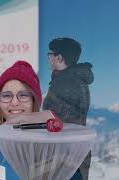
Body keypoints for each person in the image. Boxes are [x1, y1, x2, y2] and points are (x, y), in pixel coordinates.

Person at [0, 60, 63, 180]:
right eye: (7, 95)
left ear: (34, 102)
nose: (14, 102)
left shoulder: (54, 152)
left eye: (23, 95)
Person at [43, 37, 94, 180]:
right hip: (73, 155)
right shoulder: (72, 79)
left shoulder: (66, 83)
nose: (49, 59)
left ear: (59, 58)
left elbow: (57, 123)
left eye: (50, 55)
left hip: (66, 159)